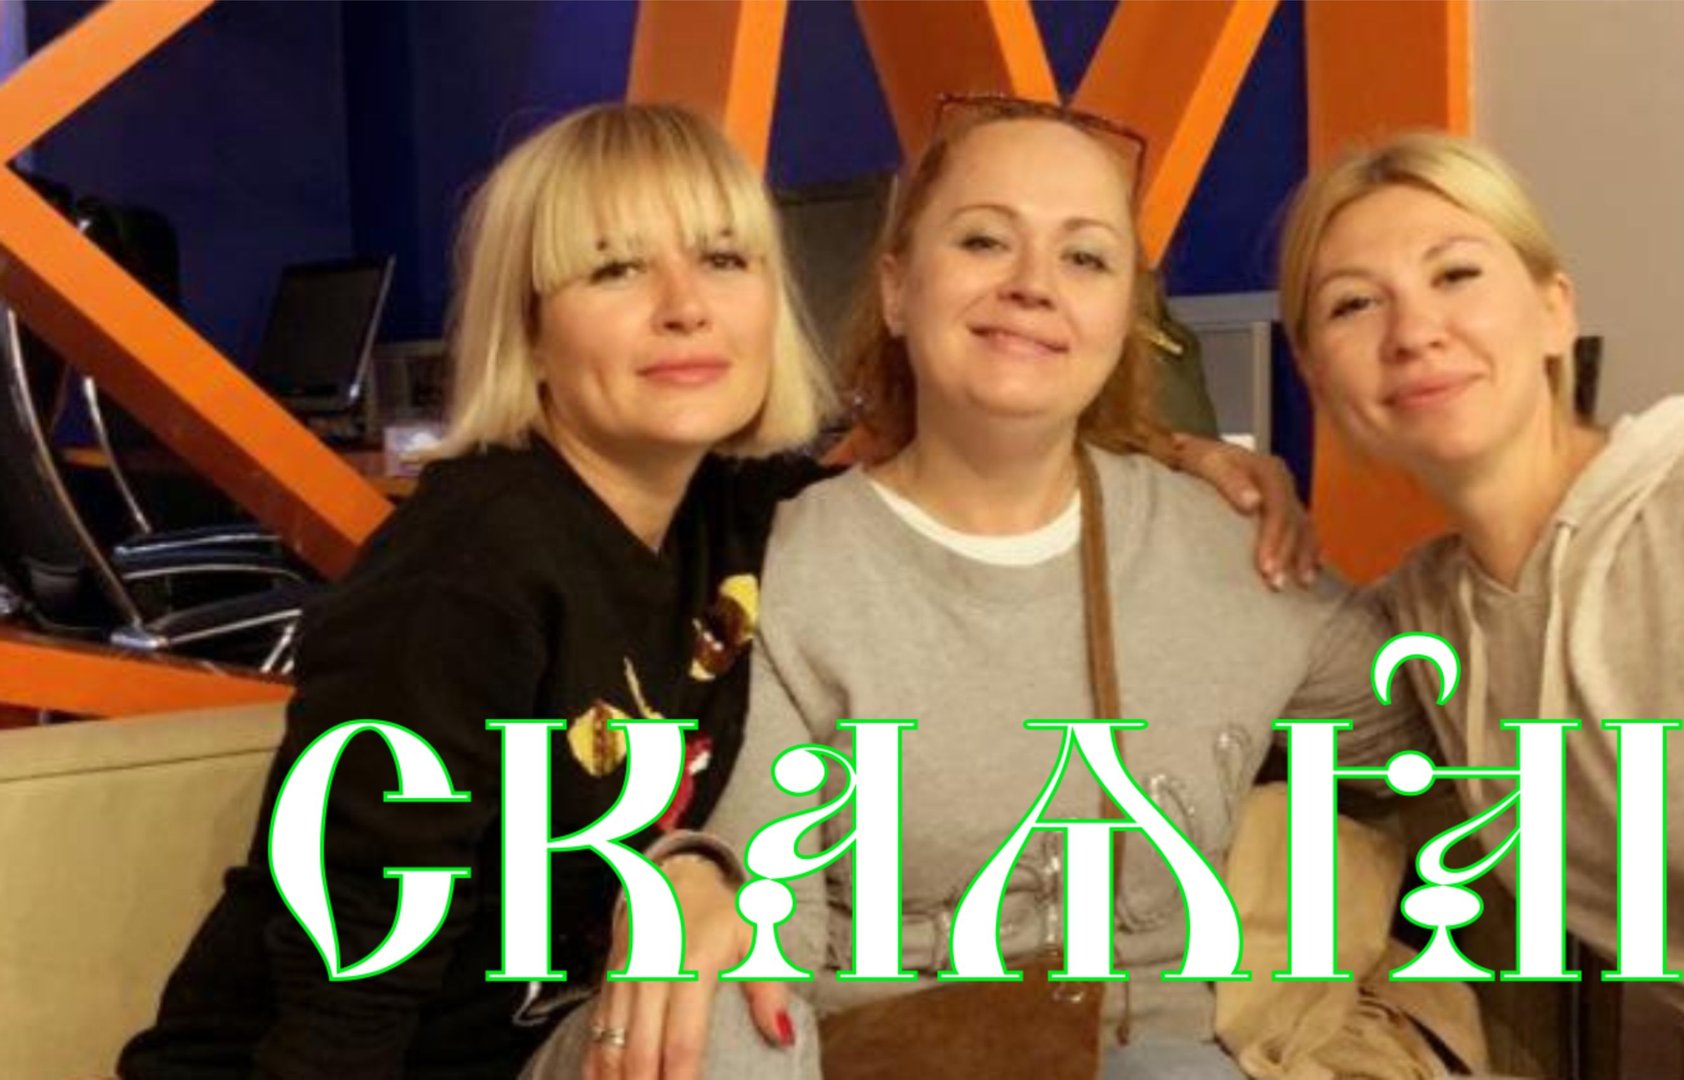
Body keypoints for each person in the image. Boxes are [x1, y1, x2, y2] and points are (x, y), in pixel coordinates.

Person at [118, 102, 1311, 1080]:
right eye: (615, 268)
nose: (685, 305)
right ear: (530, 328)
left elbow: (973, 449)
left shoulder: (737, 515)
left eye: (725, 260)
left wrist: (1182, 456)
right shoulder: (468, 568)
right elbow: (346, 969)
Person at [554, 97, 1434, 1080]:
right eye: (983, 240)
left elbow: (1454, 728)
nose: (1032, 286)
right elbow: (768, 937)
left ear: (1124, 319)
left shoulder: (1229, 550)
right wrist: (696, 884)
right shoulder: (787, 565)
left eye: (1085, 257)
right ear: (897, 288)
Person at [1276, 130, 1684, 1073]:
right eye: (1353, 304)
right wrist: (1200, 465)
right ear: (1315, 377)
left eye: (1455, 274)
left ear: (1554, 312)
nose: (1413, 332)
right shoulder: (1425, 620)